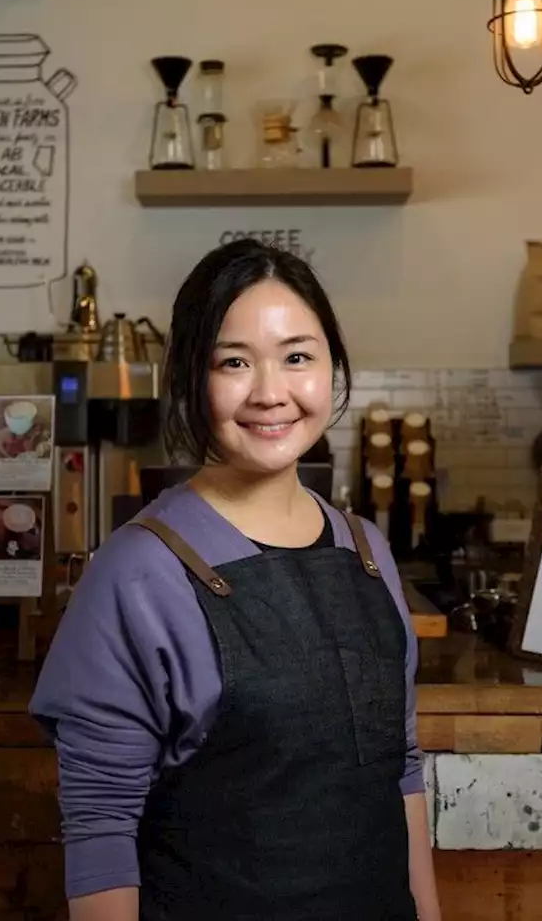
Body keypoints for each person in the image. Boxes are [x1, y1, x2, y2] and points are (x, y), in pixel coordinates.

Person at [30, 239, 440, 920]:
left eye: (297, 356)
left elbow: (400, 769)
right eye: (234, 362)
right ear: (193, 376)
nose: (270, 393)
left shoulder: (367, 551)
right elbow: (102, 832)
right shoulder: (139, 573)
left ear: (331, 368)